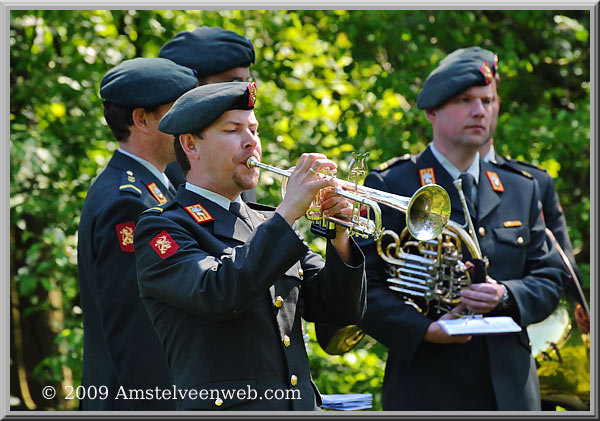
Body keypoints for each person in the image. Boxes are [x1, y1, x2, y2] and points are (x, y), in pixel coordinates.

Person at [133, 81, 367, 410]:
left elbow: (339, 310)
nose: (251, 142)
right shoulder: (163, 227)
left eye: (254, 130)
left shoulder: (266, 223)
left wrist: (340, 235)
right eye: (233, 130)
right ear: (190, 144)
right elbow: (217, 293)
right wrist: (287, 214)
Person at [355, 47, 564, 410]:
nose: (480, 111)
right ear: (432, 110)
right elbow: (362, 288)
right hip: (427, 388)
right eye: (465, 100)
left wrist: (505, 295)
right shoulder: (391, 184)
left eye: (487, 100)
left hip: (512, 395)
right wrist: (424, 331)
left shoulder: (521, 186)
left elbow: (549, 280)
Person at [77, 57, 197, 410]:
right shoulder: (127, 202)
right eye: (178, 111)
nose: (189, 123)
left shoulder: (151, 187)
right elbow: (137, 326)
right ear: (141, 120)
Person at [471, 48, 589, 333]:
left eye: (487, 100)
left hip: (521, 334)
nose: (478, 111)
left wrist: (579, 306)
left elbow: (561, 264)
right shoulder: (425, 181)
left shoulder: (531, 183)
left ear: (496, 104)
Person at [158, 26, 257, 203]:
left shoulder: (242, 150)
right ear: (193, 87)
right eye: (232, 82)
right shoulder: (169, 161)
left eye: (247, 82)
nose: (242, 90)